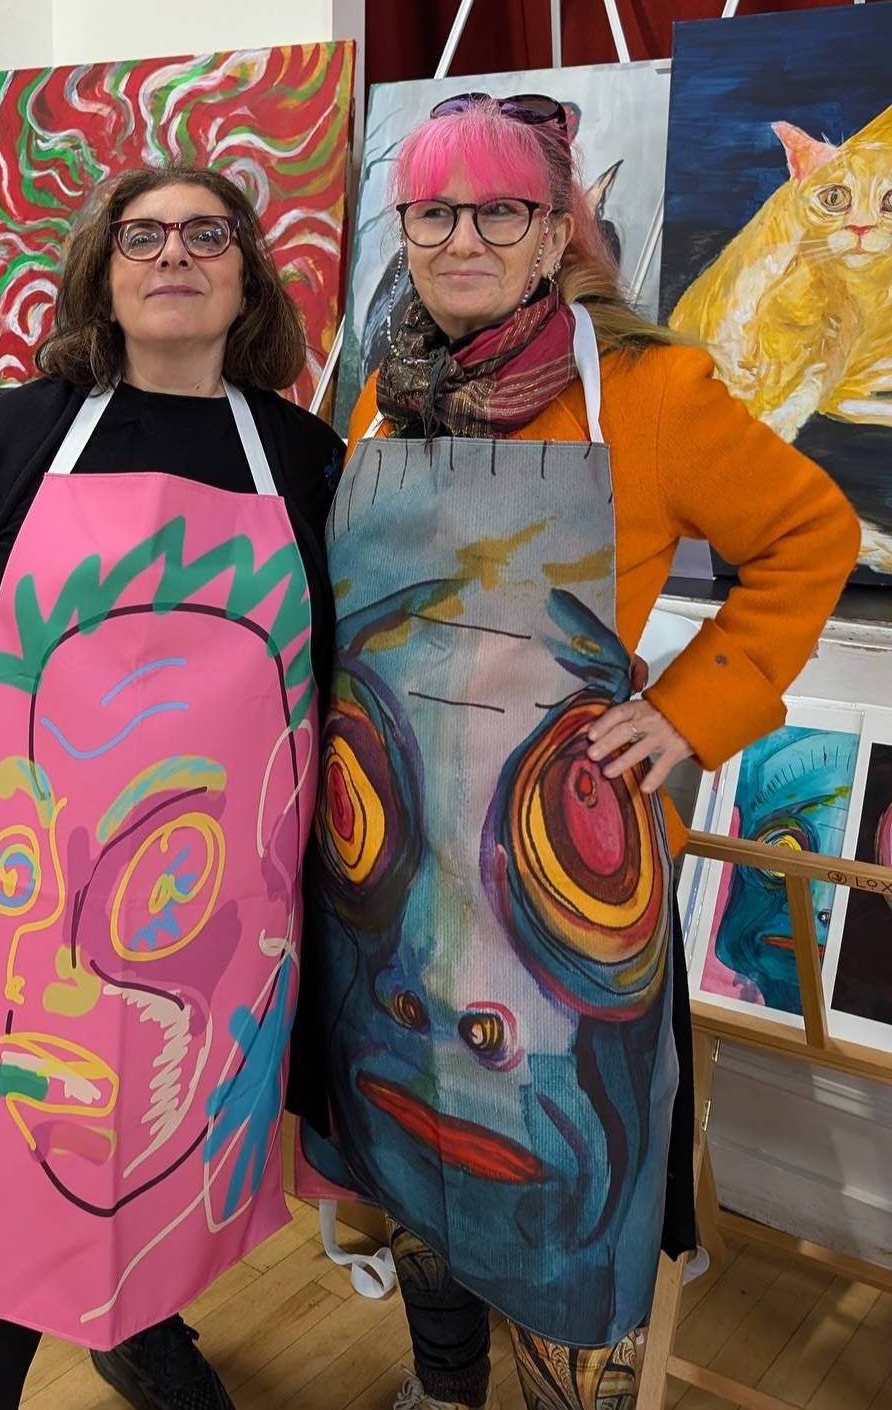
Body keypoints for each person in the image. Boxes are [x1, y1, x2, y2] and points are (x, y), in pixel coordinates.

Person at [295, 93, 860, 1410]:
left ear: (556, 235)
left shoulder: (650, 391)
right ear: (404, 228)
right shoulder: (383, 395)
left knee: (564, 1174)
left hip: (560, 882)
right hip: (390, 872)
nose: (465, 238)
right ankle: (446, 1386)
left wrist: (691, 709)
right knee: (414, 1146)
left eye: (502, 211)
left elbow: (812, 537)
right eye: (436, 211)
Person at [0, 164, 343, 1410]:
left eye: (206, 234)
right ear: (102, 274)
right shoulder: (16, 438)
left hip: (216, 912)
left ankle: (141, 1326)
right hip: (14, 895)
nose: (174, 255)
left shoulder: (302, 456)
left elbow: (344, 666)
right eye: (143, 235)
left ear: (247, 279)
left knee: (166, 1143)